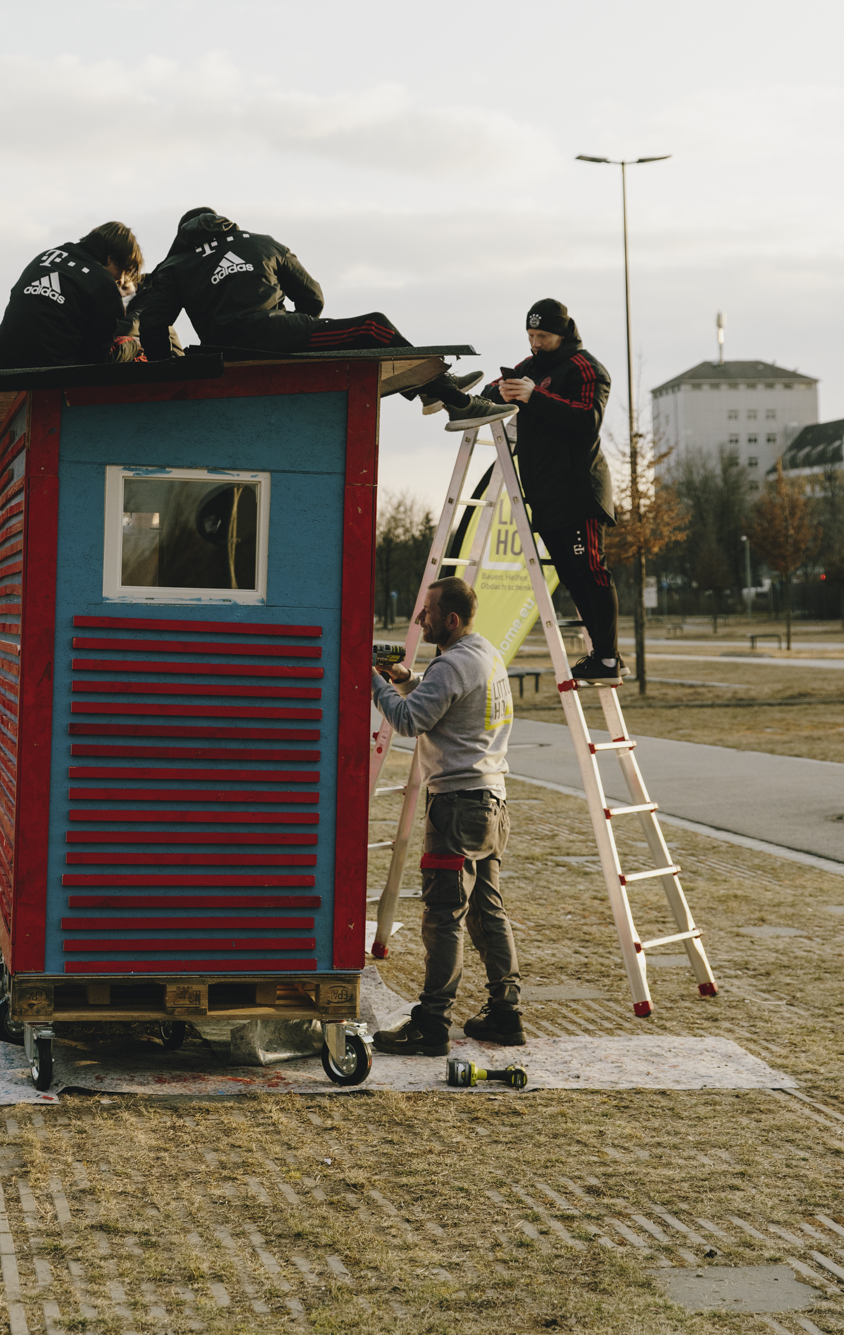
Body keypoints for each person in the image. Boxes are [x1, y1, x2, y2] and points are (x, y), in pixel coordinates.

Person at [132, 208, 517, 428]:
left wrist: (172, 379)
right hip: (274, 334)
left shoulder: (175, 265)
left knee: (370, 331)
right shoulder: (262, 243)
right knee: (374, 326)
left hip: (220, 351)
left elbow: (153, 326)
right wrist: (297, 330)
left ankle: (433, 389)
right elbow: (312, 297)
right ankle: (454, 401)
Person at [369, 575, 524, 1054]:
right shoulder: (485, 654)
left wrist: (371, 680)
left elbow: (409, 719)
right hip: (491, 803)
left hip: (455, 809)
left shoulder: (452, 664)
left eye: (428, 613)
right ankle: (506, 1013)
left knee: (443, 916)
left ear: (451, 619)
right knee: (486, 911)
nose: (420, 619)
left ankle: (431, 1024)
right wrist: (405, 678)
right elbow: (446, 695)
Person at [487, 297, 624, 684]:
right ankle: (605, 655)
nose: (535, 344)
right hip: (543, 492)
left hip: (578, 489)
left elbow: (587, 420)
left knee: (591, 570)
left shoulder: (586, 368)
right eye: (530, 336)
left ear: (562, 334)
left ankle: (608, 658)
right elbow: (492, 390)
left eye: (542, 336)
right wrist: (501, 392)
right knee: (571, 574)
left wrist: (535, 396)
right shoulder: (530, 366)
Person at [0, 221, 144, 373]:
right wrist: (131, 347)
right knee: (127, 347)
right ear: (110, 258)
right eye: (122, 271)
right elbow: (98, 360)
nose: (120, 280)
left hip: (2, 361)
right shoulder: (103, 284)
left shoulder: (45, 256)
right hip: (57, 369)